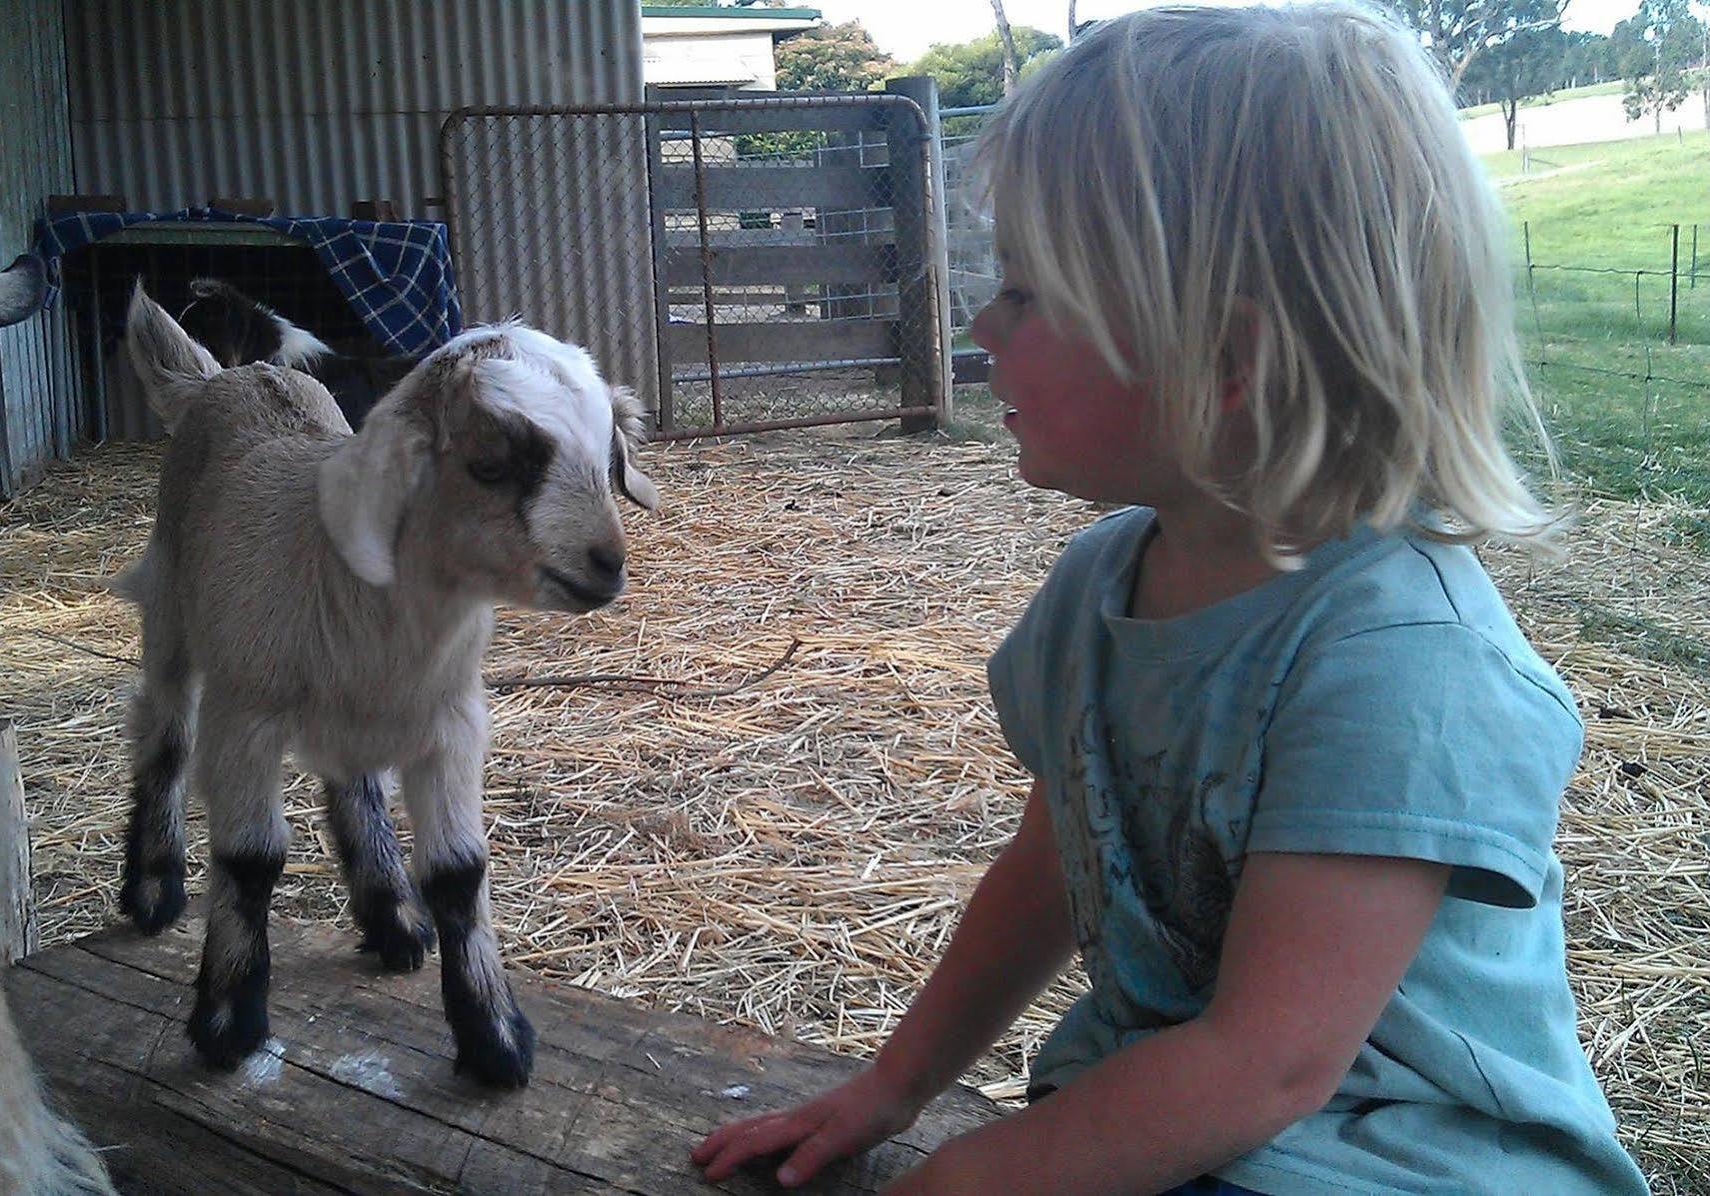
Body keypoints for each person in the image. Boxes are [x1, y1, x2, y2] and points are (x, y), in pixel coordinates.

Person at [691, 5, 1651, 1193]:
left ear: (1227, 362)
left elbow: (1270, 1060)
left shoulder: (1401, 662)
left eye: (1032, 294)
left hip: (1409, 1157)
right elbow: (1053, 865)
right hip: (1184, 1110)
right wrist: (891, 1088)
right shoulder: (1097, 586)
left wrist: (975, 1175)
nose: (981, 324)